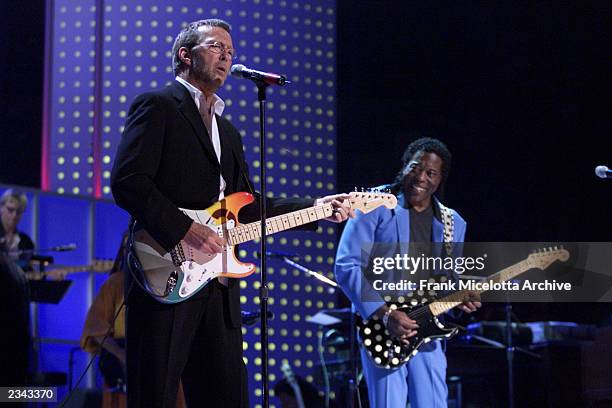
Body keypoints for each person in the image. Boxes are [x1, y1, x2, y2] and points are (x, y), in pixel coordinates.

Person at [110, 18, 353, 408]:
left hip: (220, 288)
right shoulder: (157, 106)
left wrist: (315, 210)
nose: (226, 56)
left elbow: (249, 207)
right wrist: (188, 230)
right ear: (184, 55)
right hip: (166, 270)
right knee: (154, 392)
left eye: (231, 52)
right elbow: (128, 181)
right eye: (216, 47)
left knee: (226, 396)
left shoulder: (230, 131)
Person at [335, 137, 481, 408]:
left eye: (431, 173)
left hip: (428, 330)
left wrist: (461, 299)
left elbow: (447, 279)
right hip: (383, 327)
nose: (421, 177)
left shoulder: (453, 222)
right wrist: (385, 314)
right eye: (415, 167)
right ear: (404, 167)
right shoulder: (374, 204)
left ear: (439, 180)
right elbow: (346, 266)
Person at [81, 234, 185, 408]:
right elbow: (95, 327)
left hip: (165, 359)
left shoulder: (176, 283)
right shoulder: (115, 284)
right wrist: (121, 354)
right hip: (126, 364)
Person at [0, 189, 34, 266]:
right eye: (10, 210)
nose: (14, 216)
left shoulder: (26, 241)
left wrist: (48, 274)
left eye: (19, 212)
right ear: (1, 208)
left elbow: (28, 271)